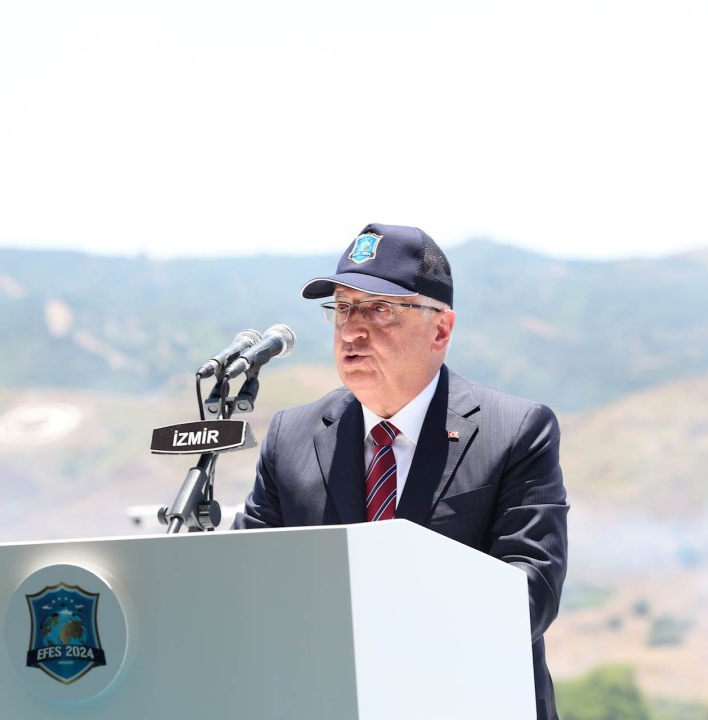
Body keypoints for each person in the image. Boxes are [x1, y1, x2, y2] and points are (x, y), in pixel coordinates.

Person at [232, 222, 569, 720]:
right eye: (343, 309)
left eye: (379, 309)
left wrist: (386, 629)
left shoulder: (515, 431)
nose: (352, 330)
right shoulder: (290, 437)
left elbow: (531, 589)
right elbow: (246, 578)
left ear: (441, 330)